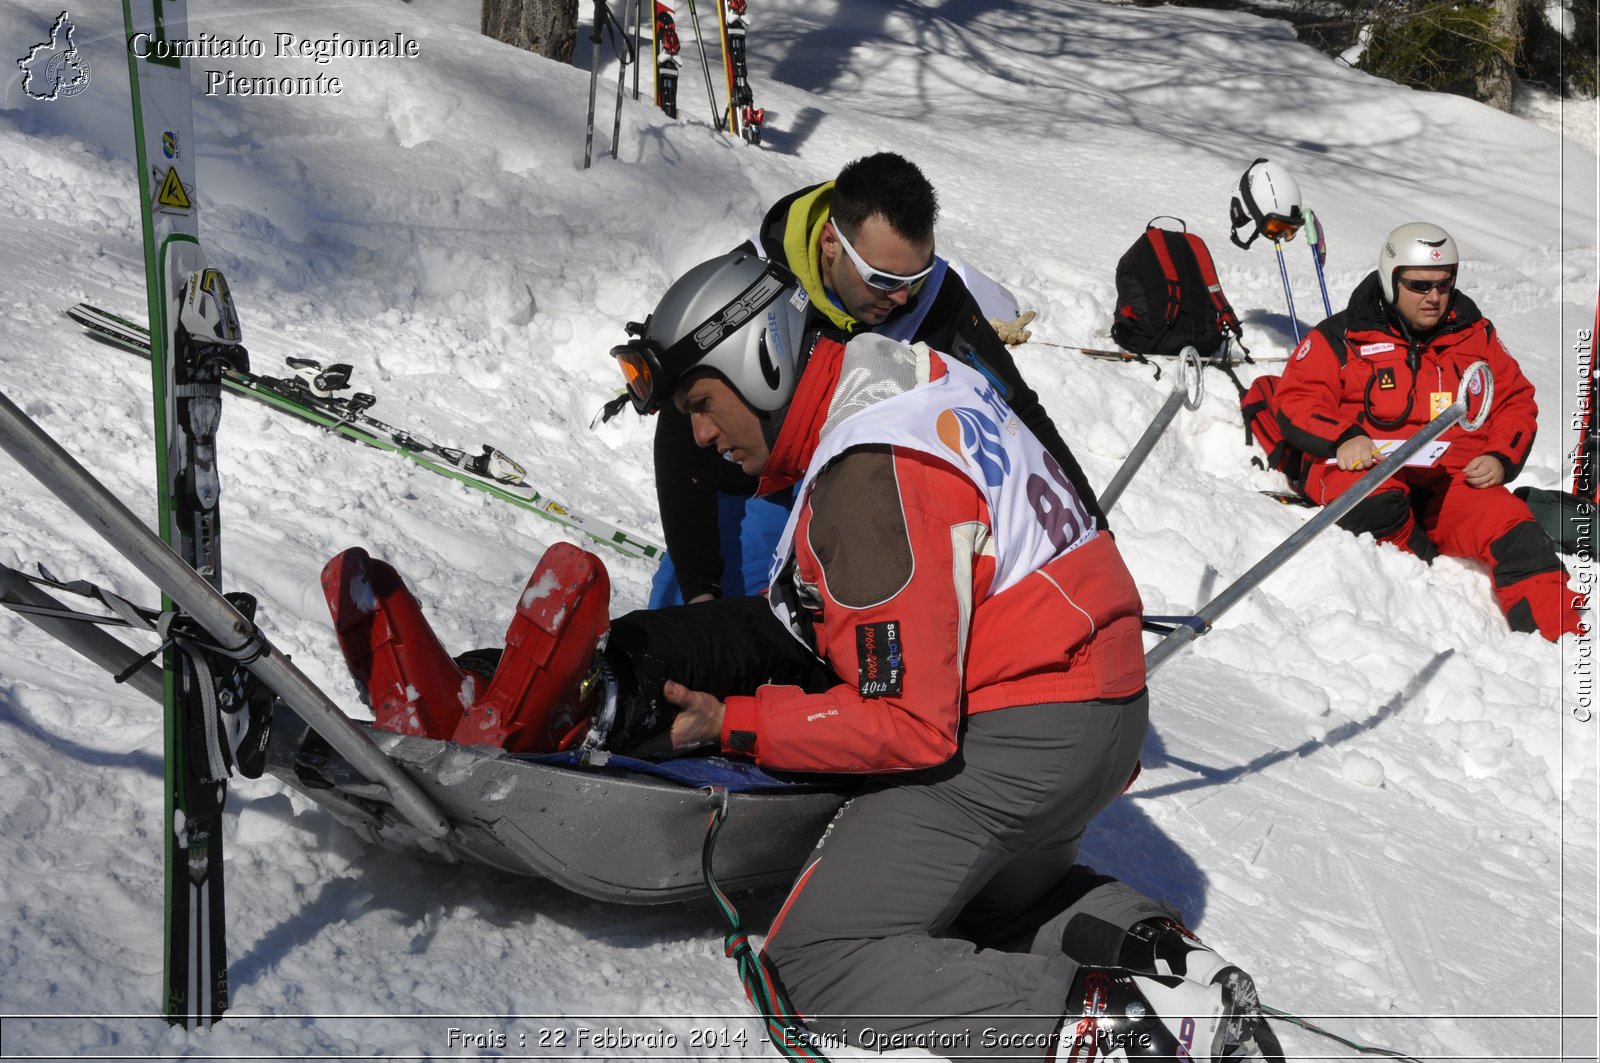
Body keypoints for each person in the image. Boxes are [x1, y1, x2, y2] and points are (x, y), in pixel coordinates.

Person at [601, 250, 1268, 1060]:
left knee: (817, 961)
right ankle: (1162, 959)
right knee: (980, 902)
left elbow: (908, 725)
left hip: (1029, 728)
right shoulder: (903, 376)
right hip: (1104, 707)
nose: (700, 435)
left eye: (703, 403)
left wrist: (733, 724)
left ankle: (1119, 1030)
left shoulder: (865, 471)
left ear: (761, 361)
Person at [645, 151, 1104, 607]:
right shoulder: (756, 281)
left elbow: (1018, 412)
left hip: (853, 498)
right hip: (750, 488)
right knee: (689, 635)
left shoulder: (933, 298)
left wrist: (1098, 539)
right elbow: (685, 419)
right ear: (830, 243)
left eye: (915, 276)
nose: (902, 298)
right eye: (881, 278)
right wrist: (699, 584)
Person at [1274, 221, 1582, 641]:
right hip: (1371, 468)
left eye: (1444, 283)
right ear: (1391, 278)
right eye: (1419, 285)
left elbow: (1514, 400)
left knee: (1518, 530)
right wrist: (1343, 437)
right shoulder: (1343, 337)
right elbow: (1297, 399)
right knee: (1374, 504)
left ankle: (1564, 643)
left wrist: (1499, 456)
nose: (1434, 297)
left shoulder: (1475, 335)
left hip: (1451, 481)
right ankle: (1424, 609)